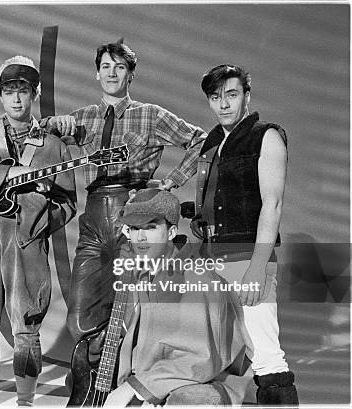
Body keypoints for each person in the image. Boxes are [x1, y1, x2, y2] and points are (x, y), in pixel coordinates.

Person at [42, 42, 207, 346]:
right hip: (93, 220)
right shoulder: (84, 118)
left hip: (134, 217)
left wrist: (171, 181)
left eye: (120, 67)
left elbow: (202, 141)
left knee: (129, 310)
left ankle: (123, 380)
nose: (112, 73)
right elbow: (37, 139)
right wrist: (51, 124)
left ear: (131, 74)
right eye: (105, 66)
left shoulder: (150, 116)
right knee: (80, 316)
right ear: (96, 74)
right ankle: (90, 385)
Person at [0, 55, 76, 406]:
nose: (16, 99)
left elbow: (67, 202)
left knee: (27, 326)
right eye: (9, 91)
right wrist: (10, 176)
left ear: (35, 94)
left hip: (26, 241)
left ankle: (25, 403)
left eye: (23, 91)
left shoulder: (54, 146)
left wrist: (37, 220)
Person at [192, 64, 298, 405]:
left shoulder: (266, 135)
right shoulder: (212, 140)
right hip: (212, 257)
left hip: (247, 258)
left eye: (232, 95)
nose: (223, 104)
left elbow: (274, 205)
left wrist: (257, 266)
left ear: (246, 96)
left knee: (266, 354)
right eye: (215, 97)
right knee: (226, 352)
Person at [103, 188, 249, 406]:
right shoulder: (142, 274)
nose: (141, 237)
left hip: (205, 384)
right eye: (134, 228)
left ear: (171, 233)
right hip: (155, 382)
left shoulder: (197, 278)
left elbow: (200, 359)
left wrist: (134, 388)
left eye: (150, 227)